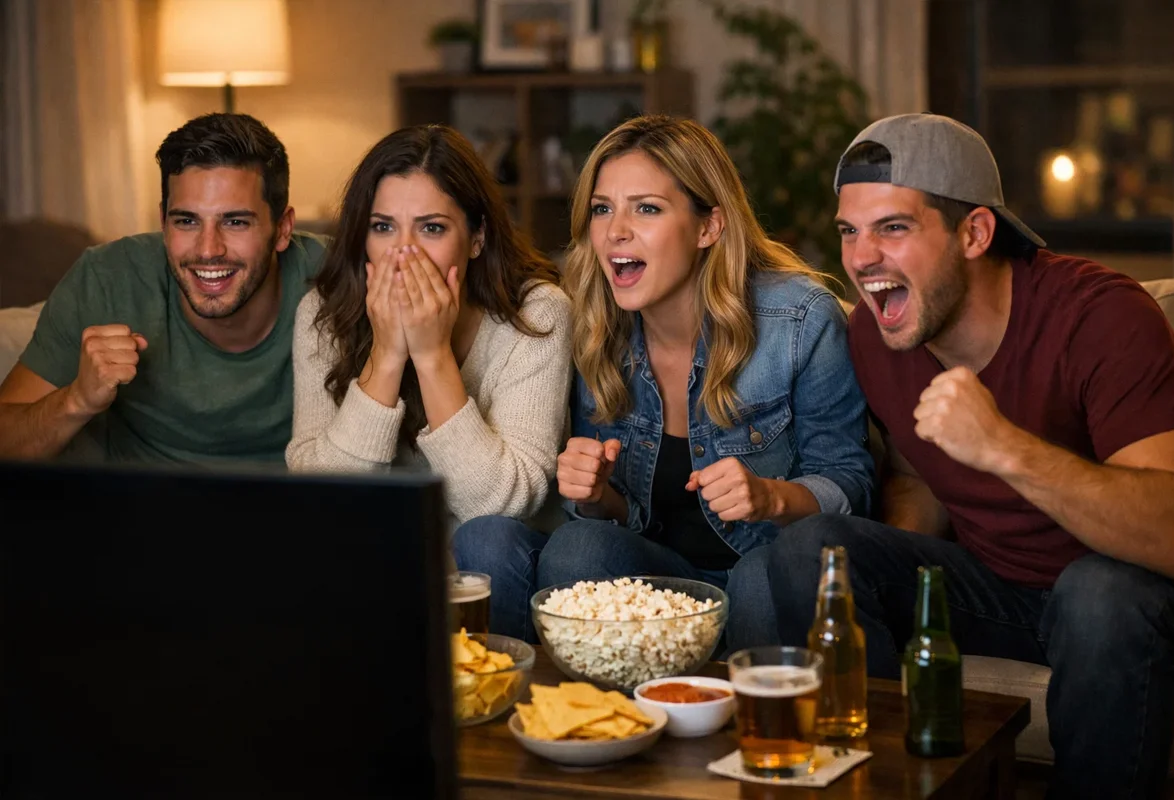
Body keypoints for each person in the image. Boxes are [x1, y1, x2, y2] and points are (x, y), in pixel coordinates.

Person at [767, 113, 1174, 798]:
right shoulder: (877, 334)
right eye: (850, 230)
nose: (860, 258)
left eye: (893, 228)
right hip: (997, 589)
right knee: (810, 552)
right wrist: (897, 569)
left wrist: (1003, 446)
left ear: (974, 232)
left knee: (1098, 594)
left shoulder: (1102, 318)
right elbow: (917, 473)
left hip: (1133, 598)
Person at [457, 115, 875, 645]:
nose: (616, 231)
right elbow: (620, 516)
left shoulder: (800, 320)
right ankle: (592, 723)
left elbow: (851, 485)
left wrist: (770, 497)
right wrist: (595, 494)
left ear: (709, 227)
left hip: (763, 571)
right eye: (602, 209)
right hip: (656, 579)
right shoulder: (596, 322)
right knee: (578, 546)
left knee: (758, 579)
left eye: (647, 209)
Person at [286, 125, 571, 533]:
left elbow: (505, 505)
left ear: (477, 238)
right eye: (383, 227)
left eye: (432, 228)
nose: (404, 254)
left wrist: (432, 355)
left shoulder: (536, 314)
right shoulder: (324, 314)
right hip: (378, 548)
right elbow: (323, 500)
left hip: (493, 561)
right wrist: (385, 355)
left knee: (489, 538)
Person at [0, 113, 326, 464]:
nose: (207, 249)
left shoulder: (341, 278)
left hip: (300, 513)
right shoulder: (108, 278)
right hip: (140, 513)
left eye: (235, 222)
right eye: (186, 221)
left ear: (282, 229)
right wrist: (77, 400)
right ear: (162, 222)